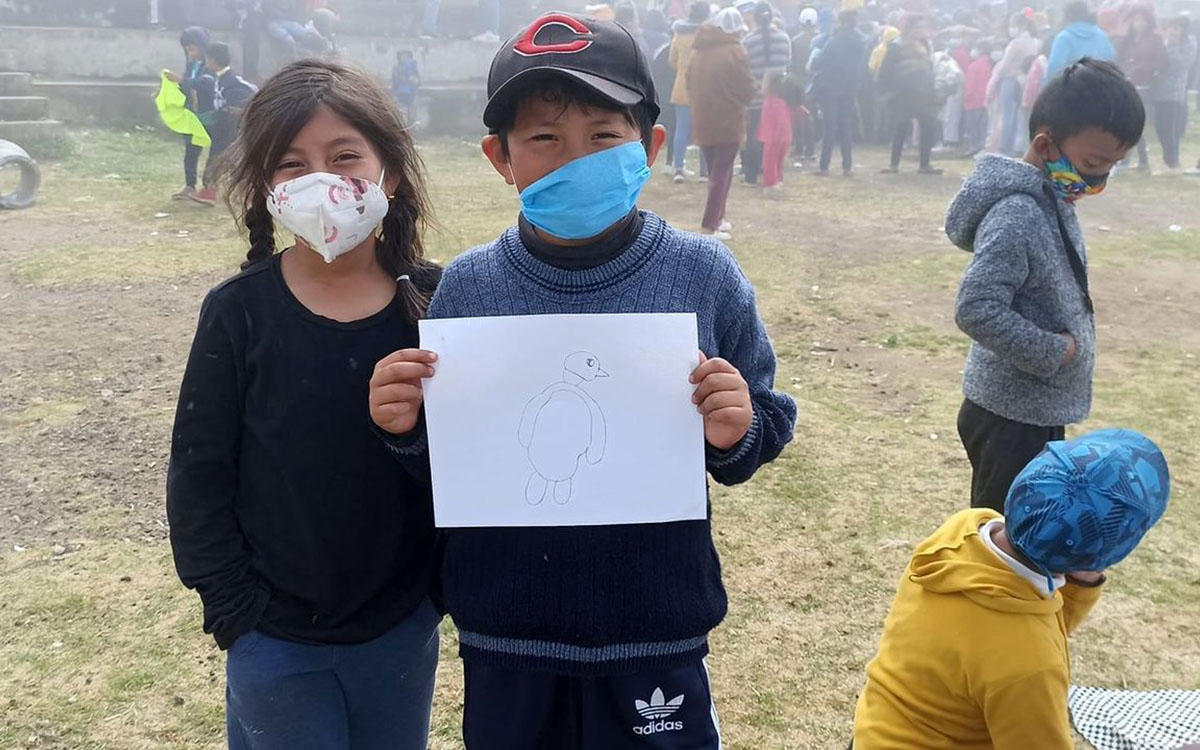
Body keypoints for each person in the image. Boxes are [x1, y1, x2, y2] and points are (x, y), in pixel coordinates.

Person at [368, 12, 797, 749]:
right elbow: (453, 457)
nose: (577, 159)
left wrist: (738, 429)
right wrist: (403, 427)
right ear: (500, 158)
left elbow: (765, 417)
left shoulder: (703, 275)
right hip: (507, 632)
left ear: (652, 146)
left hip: (653, 627)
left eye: (604, 136)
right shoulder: (468, 288)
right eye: (544, 139)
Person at [166, 59, 443, 750]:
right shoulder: (239, 313)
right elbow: (198, 474)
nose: (321, 179)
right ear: (266, 190)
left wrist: (432, 595)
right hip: (274, 637)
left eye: (345, 155)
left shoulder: (441, 303)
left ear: (393, 173)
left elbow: (471, 459)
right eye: (292, 164)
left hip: (400, 628)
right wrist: (235, 610)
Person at [852, 428, 1171, 750]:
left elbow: (1034, 618)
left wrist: (1080, 583)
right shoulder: (1031, 667)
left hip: (875, 730)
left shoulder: (964, 530)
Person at [948, 58, 1145, 512]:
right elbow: (975, 306)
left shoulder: (1053, 198)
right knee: (1005, 542)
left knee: (1033, 530)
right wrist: (1056, 351)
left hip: (1035, 407)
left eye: (1113, 165)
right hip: (1010, 418)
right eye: (1094, 163)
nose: (1100, 179)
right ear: (1045, 143)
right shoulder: (1018, 215)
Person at [690, 7, 756, 239]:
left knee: (714, 172)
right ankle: (710, 225)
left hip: (703, 117)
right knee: (722, 173)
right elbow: (747, 87)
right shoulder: (736, 51)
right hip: (728, 119)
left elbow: (690, 81)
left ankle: (719, 217)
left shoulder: (699, 50)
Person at [190, 42, 257, 207]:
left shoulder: (233, 82)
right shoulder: (220, 78)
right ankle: (243, 191)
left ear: (213, 60)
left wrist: (216, 116)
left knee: (221, 157)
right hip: (225, 126)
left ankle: (210, 191)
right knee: (232, 160)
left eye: (207, 59)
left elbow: (239, 105)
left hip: (233, 127)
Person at [878, 13, 942, 174]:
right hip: (903, 95)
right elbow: (885, 71)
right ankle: (894, 164)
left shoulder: (926, 45)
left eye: (922, 27)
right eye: (918, 27)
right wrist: (888, 92)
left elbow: (931, 67)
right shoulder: (896, 47)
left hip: (924, 94)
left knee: (927, 127)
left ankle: (924, 164)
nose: (921, 30)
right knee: (900, 128)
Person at [809, 9, 866, 176]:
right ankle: (847, 166)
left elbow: (820, 61)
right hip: (849, 88)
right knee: (845, 126)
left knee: (830, 127)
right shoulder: (860, 41)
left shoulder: (835, 40)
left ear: (843, 22)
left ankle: (824, 166)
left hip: (831, 87)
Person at [741, 2, 792, 184]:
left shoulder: (748, 40)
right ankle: (775, 173)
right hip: (778, 98)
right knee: (776, 137)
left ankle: (751, 174)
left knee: (754, 136)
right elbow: (786, 64)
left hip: (755, 96)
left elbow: (744, 67)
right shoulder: (784, 39)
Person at [166, 25, 214, 201]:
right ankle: (190, 185)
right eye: (187, 48)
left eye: (192, 47)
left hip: (209, 116)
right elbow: (185, 86)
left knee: (214, 153)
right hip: (193, 115)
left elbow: (202, 84)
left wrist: (183, 80)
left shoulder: (211, 65)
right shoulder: (191, 66)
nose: (189, 51)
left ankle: (209, 187)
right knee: (191, 151)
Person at [1117, 5, 1167, 170]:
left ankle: (1138, 160)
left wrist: (1141, 67)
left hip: (1145, 86)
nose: (1139, 24)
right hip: (1126, 84)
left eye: (1142, 20)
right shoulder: (1126, 40)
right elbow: (1119, 59)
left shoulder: (1155, 40)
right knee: (1126, 124)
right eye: (1136, 20)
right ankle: (1131, 160)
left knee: (1136, 124)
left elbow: (1162, 62)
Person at [988, 13, 1042, 156]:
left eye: (1013, 25)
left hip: (1010, 79)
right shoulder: (1036, 42)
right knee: (1021, 116)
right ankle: (1019, 145)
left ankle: (1005, 146)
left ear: (1021, 25)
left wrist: (994, 81)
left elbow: (1004, 65)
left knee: (1007, 115)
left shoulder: (1016, 43)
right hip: (1026, 80)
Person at [669, 1, 711, 182]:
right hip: (704, 86)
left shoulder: (679, 32)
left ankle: (678, 168)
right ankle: (704, 172)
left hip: (682, 85)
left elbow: (672, 60)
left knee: (681, 129)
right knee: (704, 130)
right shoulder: (708, 33)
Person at [1156, 17, 1198, 172]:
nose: (1172, 31)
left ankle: (1172, 160)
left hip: (1175, 91)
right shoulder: (1163, 41)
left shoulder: (1190, 43)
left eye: (1176, 28)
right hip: (1159, 88)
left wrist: (1172, 46)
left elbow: (1181, 64)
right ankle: (1167, 158)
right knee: (1159, 126)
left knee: (1170, 127)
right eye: (1170, 27)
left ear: (1183, 29)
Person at [1047, 1, 1116, 76]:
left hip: (1073, 85)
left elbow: (1055, 68)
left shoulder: (1064, 38)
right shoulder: (1102, 36)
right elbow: (1112, 61)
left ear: (1067, 17)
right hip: (1103, 84)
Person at [758, 71, 794, 191]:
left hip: (774, 137)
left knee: (769, 159)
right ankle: (777, 181)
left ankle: (771, 184)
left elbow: (768, 121)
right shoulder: (782, 101)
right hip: (785, 136)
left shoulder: (770, 102)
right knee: (778, 160)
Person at [962, 40, 993, 156]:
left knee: (973, 126)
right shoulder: (990, 64)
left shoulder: (974, 65)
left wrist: (966, 97)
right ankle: (981, 146)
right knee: (983, 126)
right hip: (985, 100)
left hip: (973, 100)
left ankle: (974, 147)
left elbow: (970, 84)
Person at [392, 49, 421, 125]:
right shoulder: (396, 68)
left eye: (407, 56)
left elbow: (418, 81)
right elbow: (395, 81)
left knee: (413, 115)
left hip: (412, 94)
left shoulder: (413, 69)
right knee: (402, 116)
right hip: (401, 94)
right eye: (402, 56)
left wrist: (416, 81)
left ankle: (413, 131)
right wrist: (394, 94)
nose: (404, 58)